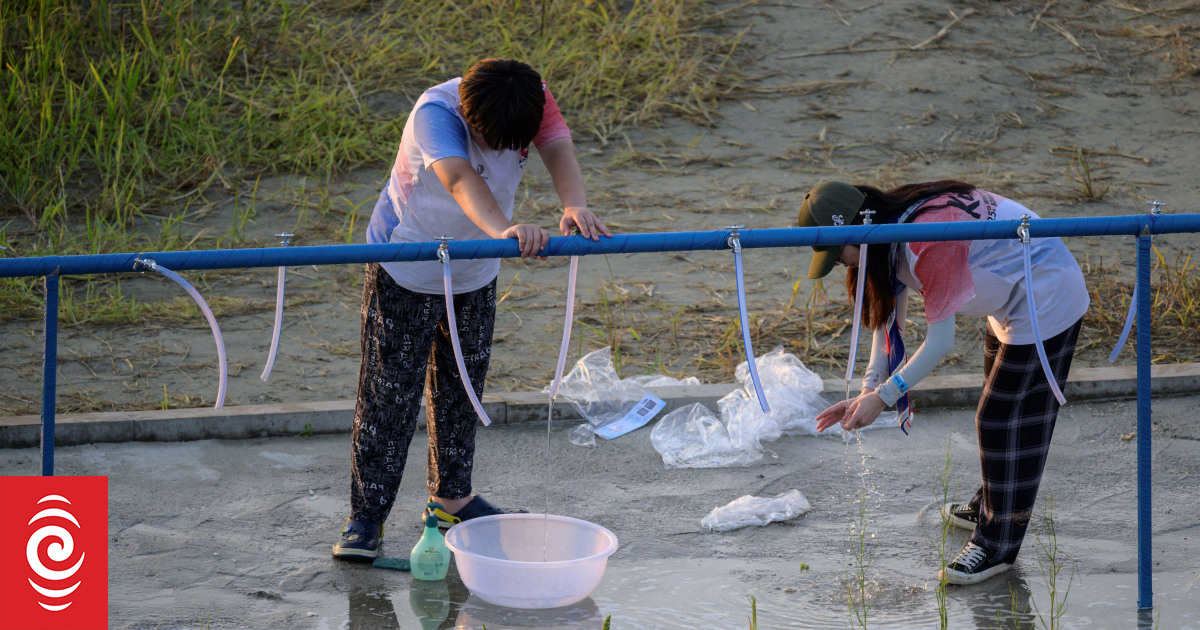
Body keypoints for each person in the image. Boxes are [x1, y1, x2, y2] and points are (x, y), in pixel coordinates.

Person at [333, 58, 611, 561]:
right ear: (470, 117)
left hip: (475, 271)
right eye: (493, 140)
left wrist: (574, 203)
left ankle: (451, 500)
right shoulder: (435, 111)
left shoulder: (532, 98)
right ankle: (365, 520)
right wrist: (505, 229)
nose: (504, 152)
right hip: (407, 263)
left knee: (462, 387)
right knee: (388, 397)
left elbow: (557, 146)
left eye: (513, 144)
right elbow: (460, 178)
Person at [799, 180, 1089, 585]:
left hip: (1045, 292)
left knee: (1003, 418)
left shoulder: (926, 238)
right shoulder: (890, 232)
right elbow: (888, 325)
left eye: (838, 253)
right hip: (1009, 295)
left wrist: (883, 398)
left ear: (854, 228)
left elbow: (940, 344)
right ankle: (991, 505)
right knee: (1002, 413)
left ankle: (996, 546)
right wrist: (869, 388)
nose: (841, 264)